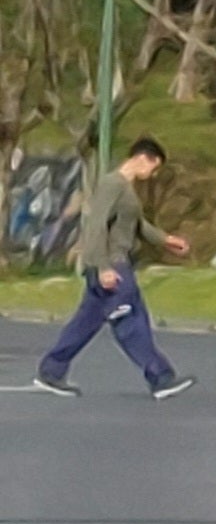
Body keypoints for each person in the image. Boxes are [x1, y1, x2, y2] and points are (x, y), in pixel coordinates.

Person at [36, 137, 192, 400]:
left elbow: (137, 224)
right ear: (144, 158)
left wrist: (166, 240)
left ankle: (51, 371)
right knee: (130, 322)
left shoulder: (125, 189)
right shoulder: (112, 184)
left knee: (84, 324)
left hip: (112, 263)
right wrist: (102, 267)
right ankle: (160, 378)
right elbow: (95, 225)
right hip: (112, 265)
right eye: (154, 169)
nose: (152, 176)